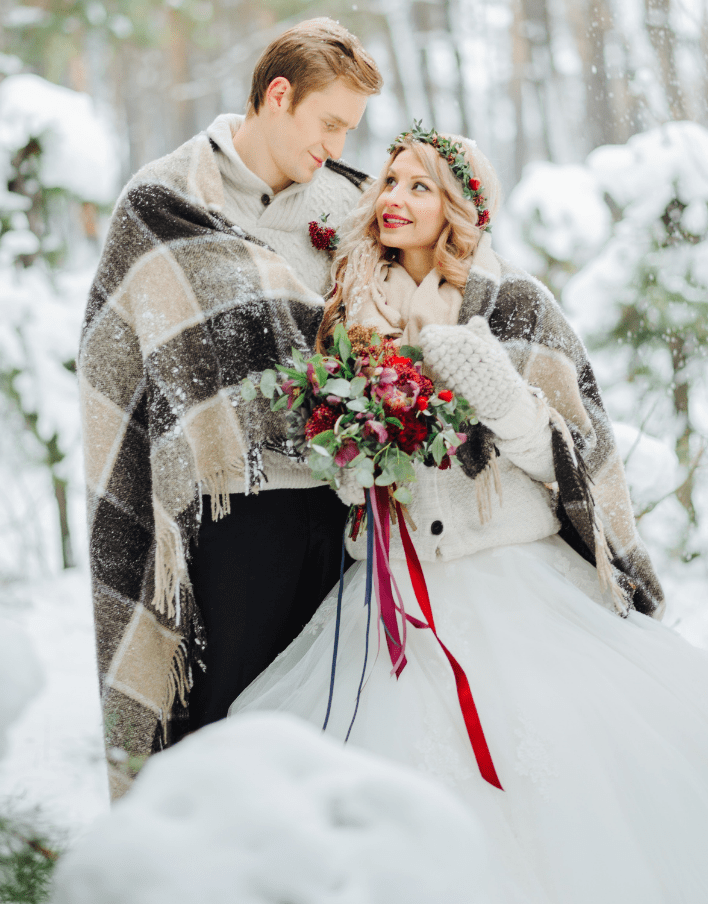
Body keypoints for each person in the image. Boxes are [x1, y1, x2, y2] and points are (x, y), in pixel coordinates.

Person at [229, 125, 708, 902]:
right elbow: (351, 490)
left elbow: (569, 460)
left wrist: (494, 388)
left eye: (420, 187)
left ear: (460, 206)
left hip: (515, 582)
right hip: (398, 597)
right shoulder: (350, 313)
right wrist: (354, 447)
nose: (395, 199)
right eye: (390, 182)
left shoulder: (514, 302)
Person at [78, 18, 383, 800]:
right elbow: (113, 360)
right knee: (219, 727)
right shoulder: (164, 202)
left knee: (331, 730)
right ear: (277, 96)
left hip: (347, 515)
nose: (337, 142)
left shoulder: (354, 206)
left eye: (349, 128)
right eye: (329, 123)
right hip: (233, 519)